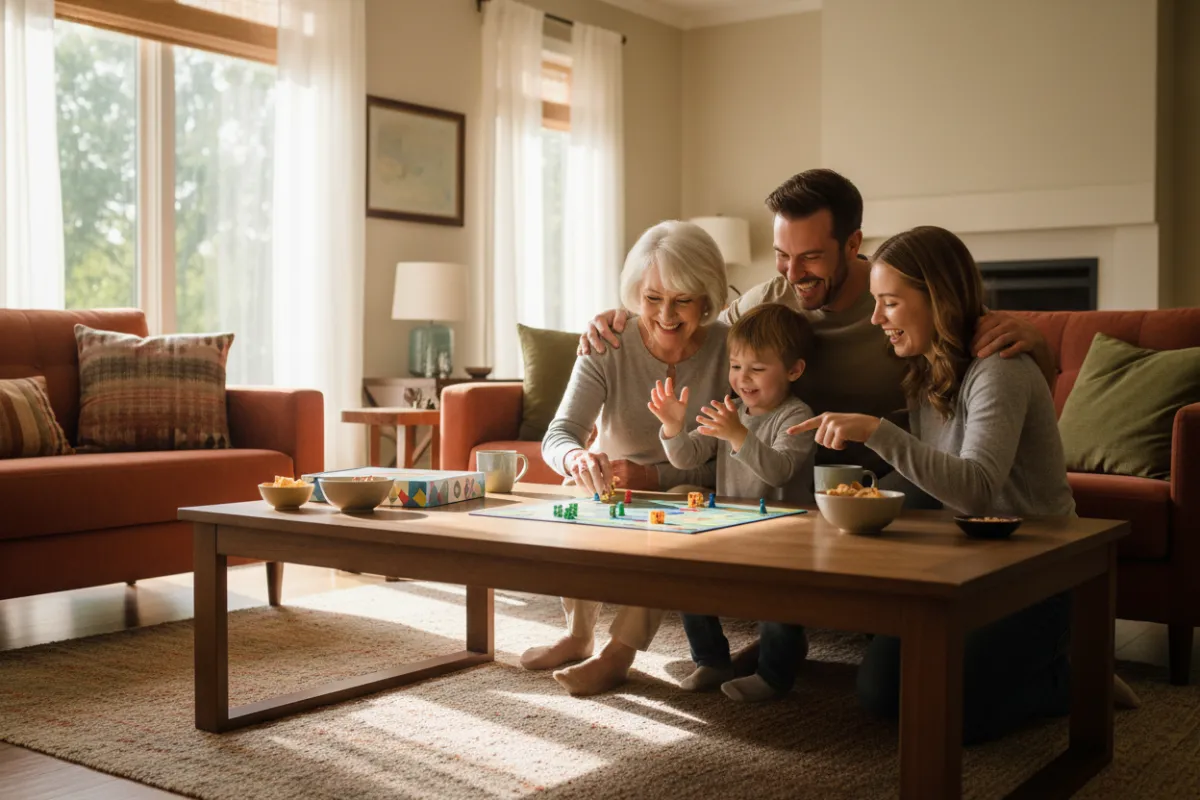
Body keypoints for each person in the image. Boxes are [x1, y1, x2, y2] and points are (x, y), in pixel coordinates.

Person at [787, 225, 1135, 743]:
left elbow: (974, 486)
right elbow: (932, 474)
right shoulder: (927, 371)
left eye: (890, 303)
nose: (877, 317)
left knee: (951, 715)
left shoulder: (1000, 368)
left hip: (1039, 570)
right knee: (882, 694)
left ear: (938, 301)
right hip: (969, 561)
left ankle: (1075, 679)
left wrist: (877, 431)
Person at [577, 169, 1056, 485]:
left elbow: (997, 383)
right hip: (786, 472)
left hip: (889, 476)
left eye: (810, 258)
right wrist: (621, 315)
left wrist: (1037, 343)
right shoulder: (768, 300)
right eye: (783, 256)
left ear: (852, 244)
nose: (792, 273)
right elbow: (696, 331)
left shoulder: (906, 307)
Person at [528, 219, 732, 696]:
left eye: (682, 299)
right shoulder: (607, 343)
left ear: (706, 297)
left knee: (677, 510)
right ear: (635, 293)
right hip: (611, 481)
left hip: (687, 486)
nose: (665, 314)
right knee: (571, 489)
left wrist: (652, 475)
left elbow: (726, 462)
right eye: (652, 297)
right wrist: (577, 459)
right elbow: (559, 434)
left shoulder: (729, 350)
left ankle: (618, 655)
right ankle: (579, 636)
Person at [649, 303, 818, 701]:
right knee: (688, 576)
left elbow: (778, 470)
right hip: (729, 523)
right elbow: (688, 457)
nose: (743, 378)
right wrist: (673, 427)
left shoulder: (797, 415)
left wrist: (739, 434)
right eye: (736, 366)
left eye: (757, 369)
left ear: (793, 370)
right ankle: (711, 659)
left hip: (783, 533)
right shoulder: (731, 412)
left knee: (776, 605)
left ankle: (775, 675)